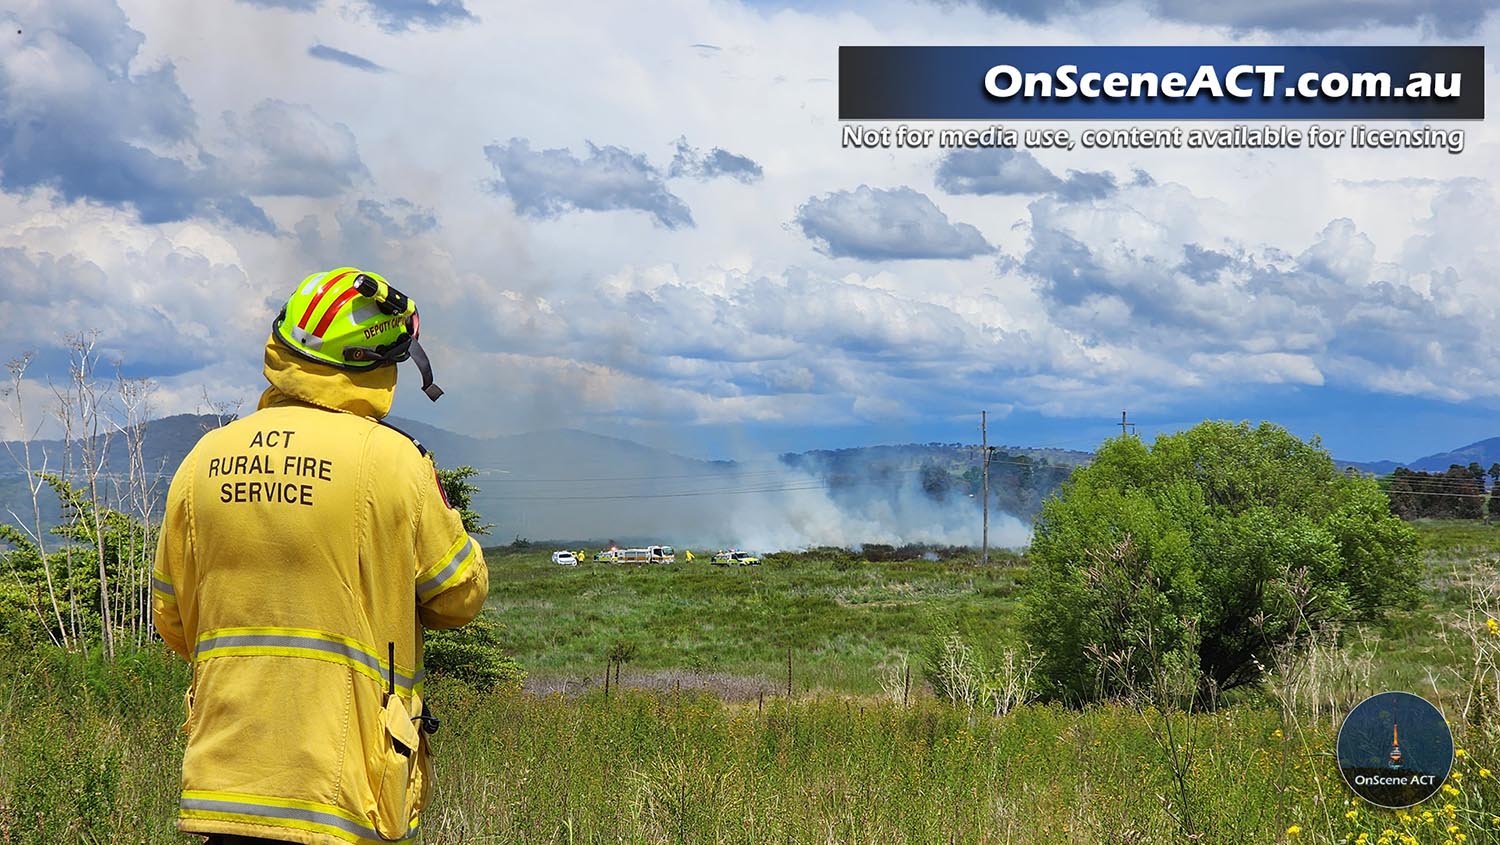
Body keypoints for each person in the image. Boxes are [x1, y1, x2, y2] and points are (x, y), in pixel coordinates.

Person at [152, 267, 489, 845]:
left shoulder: (204, 459)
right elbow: (459, 597)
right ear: (378, 364)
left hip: (227, 785)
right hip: (343, 788)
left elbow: (175, 622)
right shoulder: (395, 461)